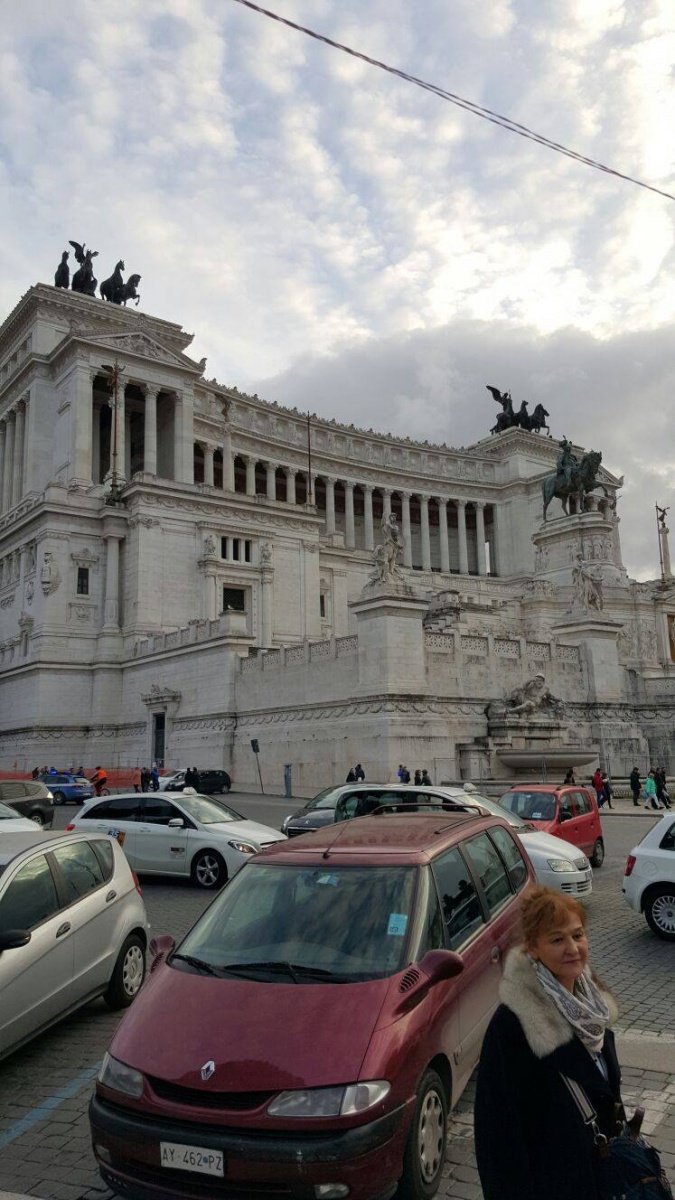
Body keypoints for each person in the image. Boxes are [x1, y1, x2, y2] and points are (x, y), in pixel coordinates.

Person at [474, 885, 622, 1200]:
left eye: (578, 935)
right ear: (533, 948)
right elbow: (497, 1135)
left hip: (602, 1179)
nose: (572, 948)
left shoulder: (593, 1004)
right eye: (557, 940)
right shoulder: (513, 1024)